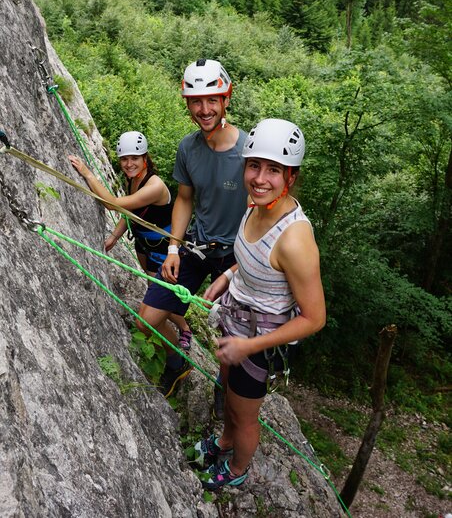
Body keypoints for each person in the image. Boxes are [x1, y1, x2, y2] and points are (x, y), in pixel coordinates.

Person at [193, 118, 326, 491]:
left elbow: (315, 318)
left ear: (291, 178)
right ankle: (223, 443)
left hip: (259, 340)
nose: (261, 178)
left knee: (243, 412)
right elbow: (253, 258)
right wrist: (227, 276)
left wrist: (248, 347)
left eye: (274, 170)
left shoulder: (295, 240)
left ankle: (237, 469)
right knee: (227, 391)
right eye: (255, 166)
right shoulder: (255, 206)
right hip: (237, 318)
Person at [137, 58, 248, 399]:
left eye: (211, 100)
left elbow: (261, 219)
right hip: (198, 247)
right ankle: (176, 362)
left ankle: (223, 388)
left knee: (233, 340)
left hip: (238, 257)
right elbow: (184, 199)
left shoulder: (249, 152)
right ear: (187, 104)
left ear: (226, 100)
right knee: (146, 319)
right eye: (196, 101)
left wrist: (234, 271)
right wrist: (173, 248)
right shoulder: (188, 148)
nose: (204, 109)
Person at [68, 131, 192, 348]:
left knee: (160, 294)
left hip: (164, 248)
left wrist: (88, 174)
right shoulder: (133, 180)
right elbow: (131, 213)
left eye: (134, 158)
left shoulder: (154, 186)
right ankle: (169, 324)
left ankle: (184, 329)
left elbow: (113, 204)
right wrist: (116, 235)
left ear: (145, 158)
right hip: (144, 244)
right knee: (153, 287)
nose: (129, 164)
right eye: (124, 159)